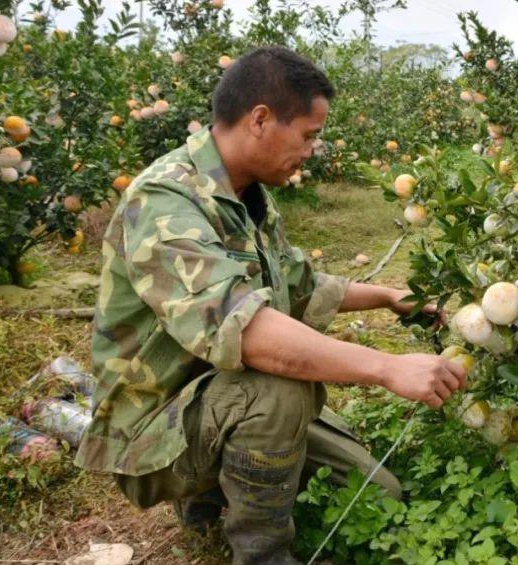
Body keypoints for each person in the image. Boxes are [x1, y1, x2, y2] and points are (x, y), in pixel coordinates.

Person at [75, 46, 466, 564]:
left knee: (378, 494)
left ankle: (212, 492)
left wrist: (388, 297)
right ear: (260, 119)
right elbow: (249, 333)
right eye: (308, 135)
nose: (311, 150)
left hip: (216, 395)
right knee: (279, 391)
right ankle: (260, 553)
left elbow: (299, 283)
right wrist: (387, 368)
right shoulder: (166, 203)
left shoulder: (248, 194)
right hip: (151, 428)